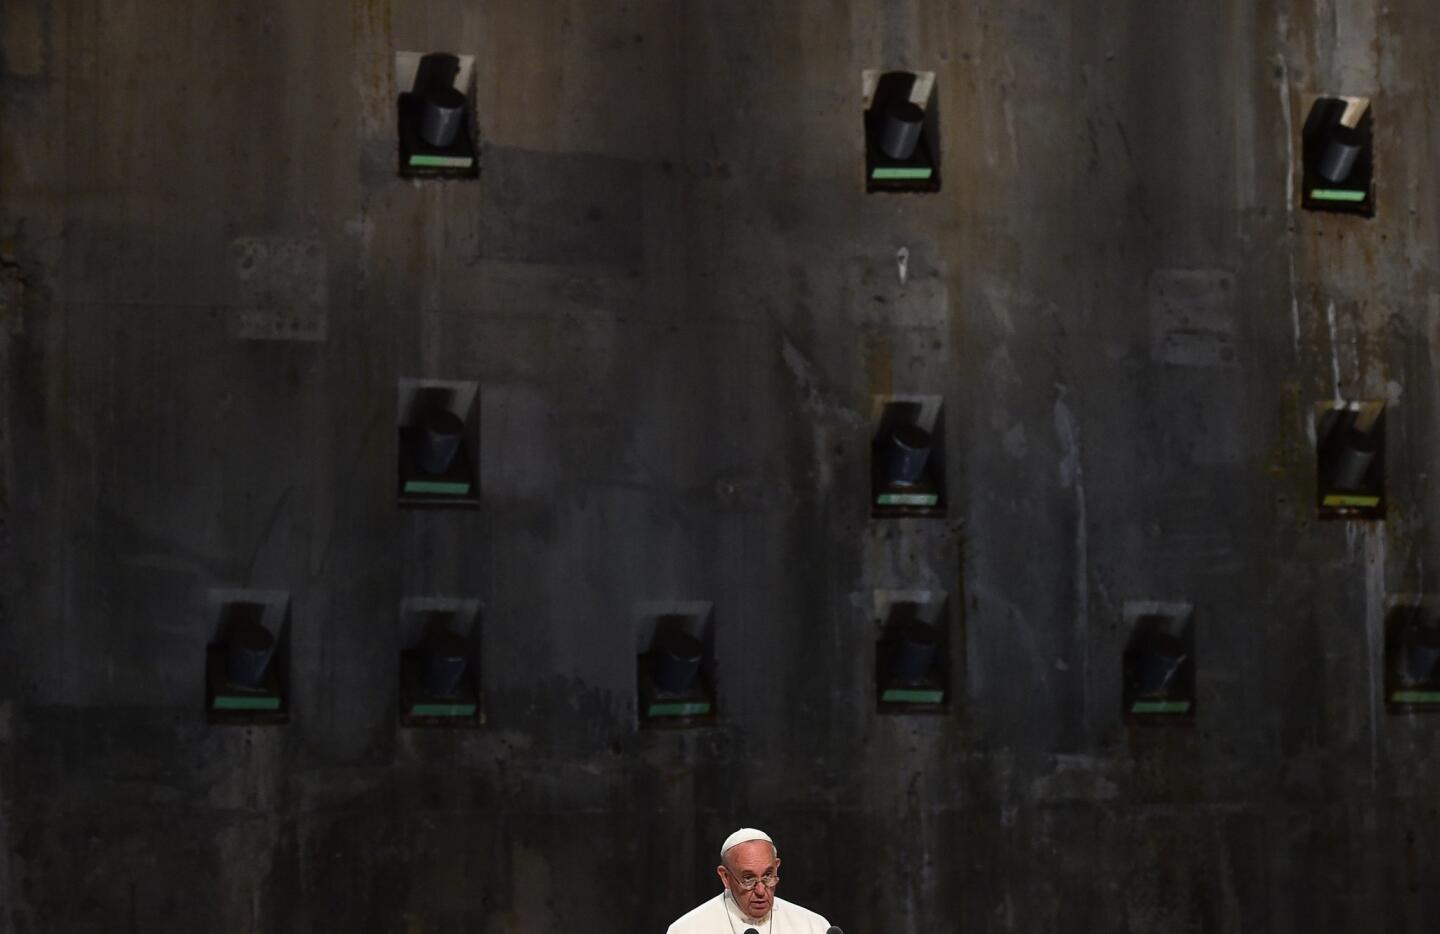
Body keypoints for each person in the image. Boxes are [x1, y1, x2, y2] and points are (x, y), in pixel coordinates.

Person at [666, 828, 832, 934]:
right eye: (748, 878)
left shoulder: (813, 926)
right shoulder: (687, 930)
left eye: (768, 875)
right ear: (725, 877)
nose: (761, 891)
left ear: (777, 867)